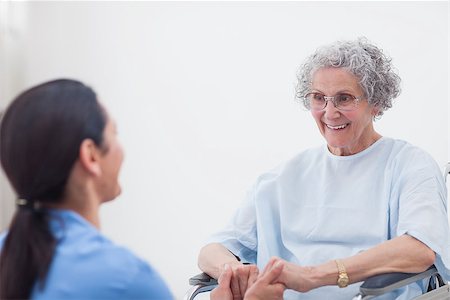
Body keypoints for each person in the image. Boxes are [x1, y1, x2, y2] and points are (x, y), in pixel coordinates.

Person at [198, 37, 450, 299]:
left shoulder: (409, 166)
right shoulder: (281, 178)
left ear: (376, 102)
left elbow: (420, 248)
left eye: (344, 98)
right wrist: (232, 271)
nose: (330, 113)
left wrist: (313, 276)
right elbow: (212, 249)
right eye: (319, 98)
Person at [0, 79, 173, 299]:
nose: (122, 148)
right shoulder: (128, 281)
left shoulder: (9, 253)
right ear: (90, 155)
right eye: (114, 132)